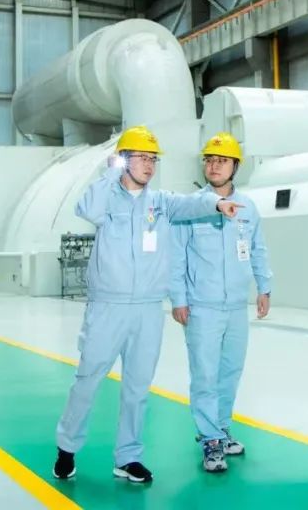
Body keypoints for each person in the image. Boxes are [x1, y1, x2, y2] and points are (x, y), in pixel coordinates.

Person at [53, 125, 241, 485]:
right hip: (108, 308)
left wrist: (216, 203)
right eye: (141, 157)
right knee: (87, 380)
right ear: (124, 160)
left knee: (138, 388)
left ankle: (128, 457)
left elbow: (191, 204)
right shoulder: (107, 198)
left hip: (148, 309)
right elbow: (85, 208)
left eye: (153, 159)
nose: (149, 165)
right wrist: (111, 172)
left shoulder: (160, 202)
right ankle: (66, 448)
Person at [169, 132, 271, 473]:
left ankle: (222, 427)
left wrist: (264, 287)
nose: (214, 166)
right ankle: (210, 439)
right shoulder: (190, 207)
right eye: (210, 160)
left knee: (230, 371)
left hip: (236, 306)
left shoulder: (248, 208)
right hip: (202, 306)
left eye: (222, 160)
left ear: (235, 166)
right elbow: (176, 257)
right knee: (205, 375)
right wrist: (179, 299)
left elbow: (257, 249)